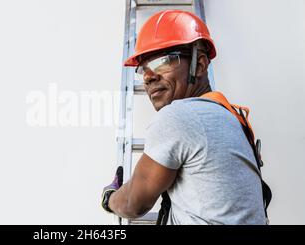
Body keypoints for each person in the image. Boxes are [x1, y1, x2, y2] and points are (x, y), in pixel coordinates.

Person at [101, 10, 270, 225]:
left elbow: (134, 203)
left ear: (199, 65)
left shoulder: (179, 116)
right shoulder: (231, 118)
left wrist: (109, 198)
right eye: (143, 69)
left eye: (162, 61)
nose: (149, 77)